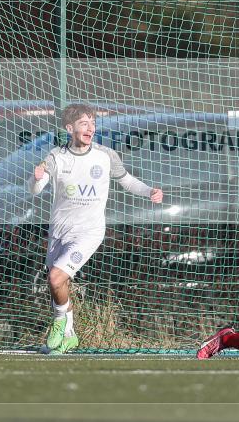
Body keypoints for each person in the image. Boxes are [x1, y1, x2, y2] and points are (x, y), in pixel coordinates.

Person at [29, 104, 164, 354]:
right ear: (70, 128)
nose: (90, 128)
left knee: (55, 278)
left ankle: (59, 322)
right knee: (59, 285)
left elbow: (127, 181)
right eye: (84, 123)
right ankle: (69, 336)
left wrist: (149, 192)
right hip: (59, 231)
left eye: (92, 123)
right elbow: (36, 190)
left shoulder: (105, 155)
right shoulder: (56, 156)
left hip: (89, 232)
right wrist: (36, 178)